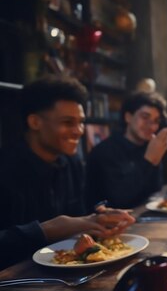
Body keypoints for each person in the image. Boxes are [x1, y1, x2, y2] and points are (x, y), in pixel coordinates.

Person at [0, 75, 135, 270]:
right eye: (68, 122)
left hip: (65, 273)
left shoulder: (71, 163)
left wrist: (99, 220)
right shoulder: (6, 167)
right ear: (35, 122)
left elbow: (79, 219)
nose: (79, 131)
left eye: (81, 122)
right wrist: (46, 230)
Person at [86, 91, 167, 209]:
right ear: (128, 117)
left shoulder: (149, 146)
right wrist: (149, 160)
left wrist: (155, 161)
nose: (151, 126)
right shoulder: (105, 151)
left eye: (156, 121)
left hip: (145, 217)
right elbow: (120, 199)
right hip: (110, 222)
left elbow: (155, 192)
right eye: (145, 117)